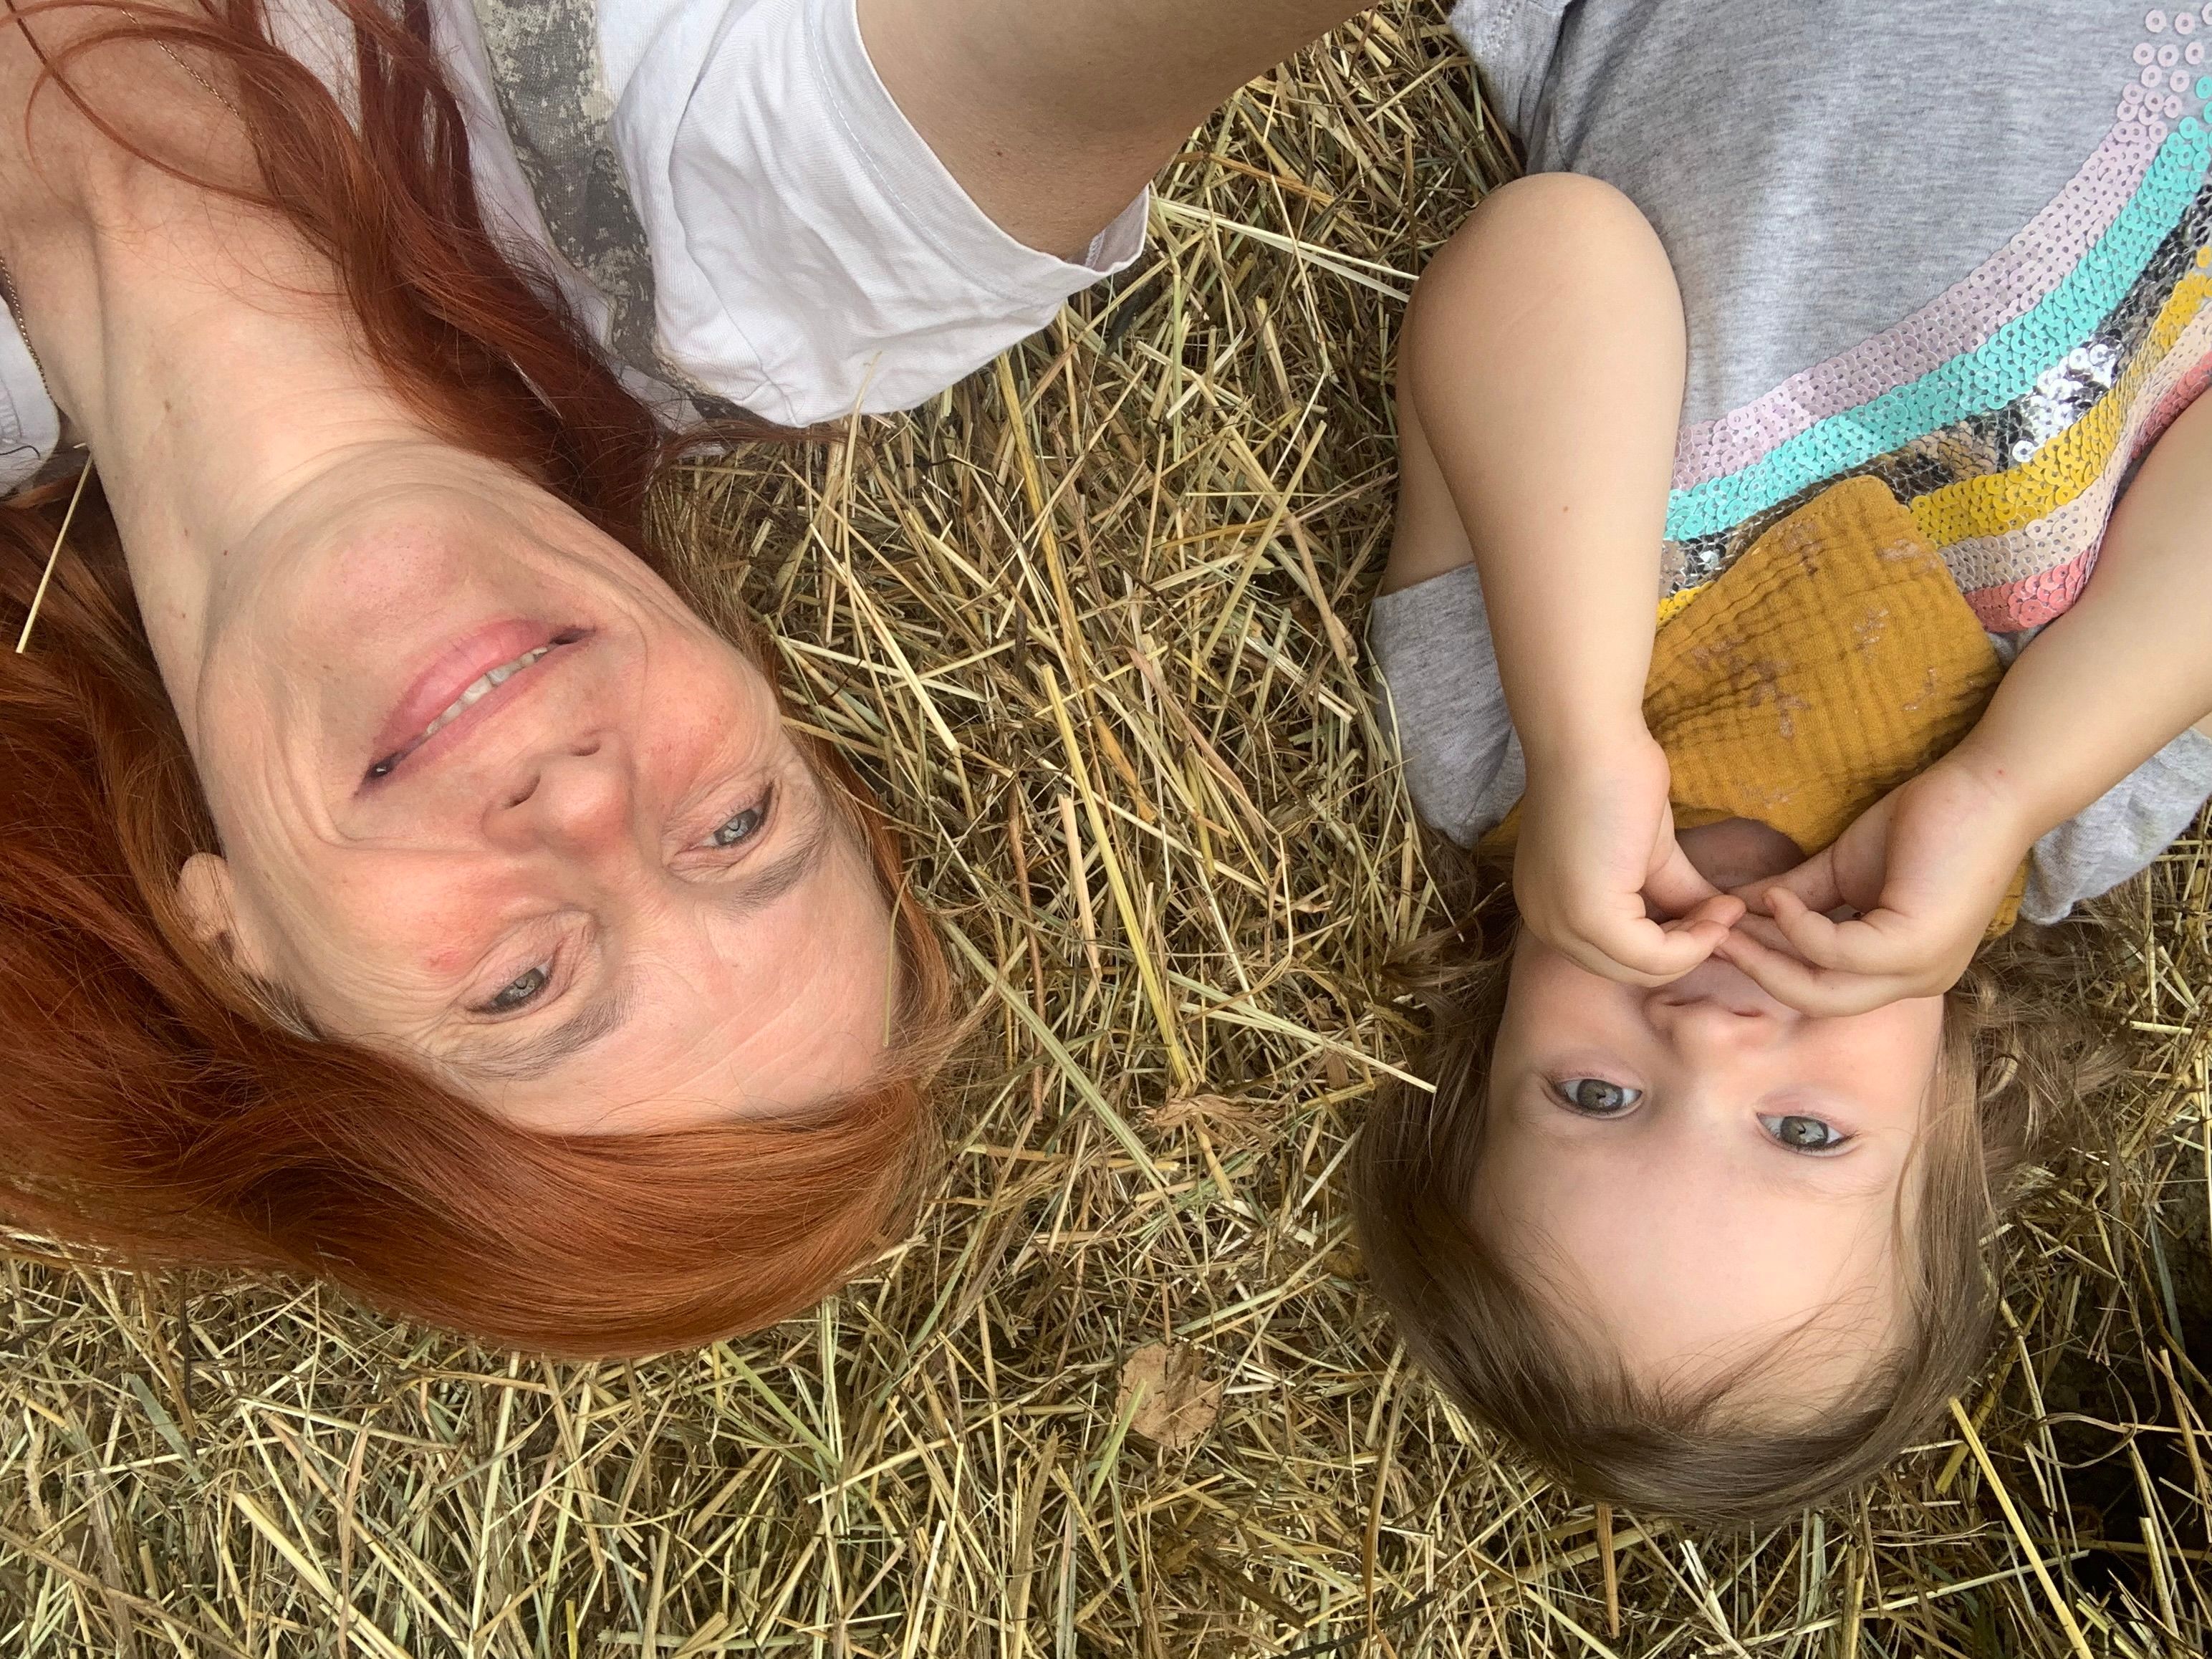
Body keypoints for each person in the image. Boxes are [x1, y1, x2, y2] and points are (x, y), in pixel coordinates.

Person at [0, 0, 1370, 1355]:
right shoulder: (737, 257)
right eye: (736, 827)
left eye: (523, 986)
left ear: (245, 959)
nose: (590, 813)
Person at [1352, 0, 2212, 1522]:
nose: (1707, 1043)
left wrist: (1581, 724)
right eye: (1802, 1135)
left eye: (1592, 1096)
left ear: (1482, 1050)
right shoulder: (2065, 820)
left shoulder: (1495, 755)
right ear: (1956, 1116)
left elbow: (1552, 250)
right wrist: (2007, 778)